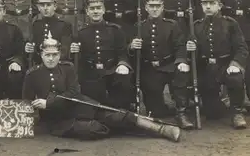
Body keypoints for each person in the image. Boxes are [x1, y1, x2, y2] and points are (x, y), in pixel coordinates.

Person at [23, 32, 181, 142]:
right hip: (59, 122)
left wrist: (48, 102)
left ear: (59, 54)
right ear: (41, 54)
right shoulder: (32, 74)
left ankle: (161, 130)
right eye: (47, 55)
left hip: (79, 105)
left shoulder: (68, 67)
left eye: (55, 55)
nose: (51, 58)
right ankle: (126, 128)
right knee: (94, 129)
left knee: (117, 115)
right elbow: (26, 102)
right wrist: (37, 110)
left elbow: (73, 92)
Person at [129, 0, 194, 129]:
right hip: (149, 69)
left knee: (181, 72)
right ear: (146, 7)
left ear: (162, 7)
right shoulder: (138, 26)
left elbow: (180, 46)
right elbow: (129, 53)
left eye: (157, 6)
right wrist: (132, 47)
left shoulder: (172, 25)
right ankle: (162, 107)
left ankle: (181, 113)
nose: (154, 9)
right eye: (151, 6)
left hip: (169, 65)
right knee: (156, 112)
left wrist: (181, 61)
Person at [186, 0, 249, 129]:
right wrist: (191, 49)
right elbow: (191, 54)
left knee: (235, 77)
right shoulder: (196, 26)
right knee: (213, 114)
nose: (208, 6)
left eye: (212, 3)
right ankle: (224, 103)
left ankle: (237, 112)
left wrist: (235, 64)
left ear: (219, 5)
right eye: (205, 3)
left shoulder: (230, 23)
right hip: (206, 68)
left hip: (225, 65)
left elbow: (241, 48)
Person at [70, 0, 134, 111]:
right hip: (90, 74)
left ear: (104, 10)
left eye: (98, 8)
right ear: (87, 11)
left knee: (123, 85)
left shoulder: (115, 30)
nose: (95, 11)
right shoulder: (80, 33)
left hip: (111, 71)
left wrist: (122, 64)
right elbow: (77, 60)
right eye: (92, 9)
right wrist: (73, 51)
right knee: (93, 106)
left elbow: (122, 53)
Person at [25, 0, 73, 65]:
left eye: (48, 5)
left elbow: (64, 51)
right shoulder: (35, 23)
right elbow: (32, 49)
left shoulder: (64, 24)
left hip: (59, 65)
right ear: (38, 7)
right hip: (39, 64)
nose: (45, 8)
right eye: (42, 5)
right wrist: (28, 49)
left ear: (55, 6)